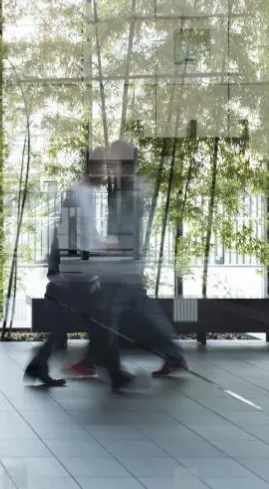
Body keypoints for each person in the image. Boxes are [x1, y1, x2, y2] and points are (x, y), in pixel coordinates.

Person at [99, 140, 188, 378]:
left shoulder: (131, 192)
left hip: (124, 264)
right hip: (123, 263)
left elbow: (127, 228)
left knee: (111, 312)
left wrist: (113, 247)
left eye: (112, 161)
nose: (109, 166)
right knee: (135, 310)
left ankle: (100, 360)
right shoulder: (124, 188)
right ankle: (173, 354)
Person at [24, 148, 110, 387]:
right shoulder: (77, 194)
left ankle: (41, 365)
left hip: (77, 271)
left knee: (68, 325)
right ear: (92, 168)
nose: (106, 174)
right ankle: (100, 367)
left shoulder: (86, 195)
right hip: (74, 273)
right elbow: (69, 232)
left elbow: (85, 232)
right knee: (100, 320)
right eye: (103, 168)